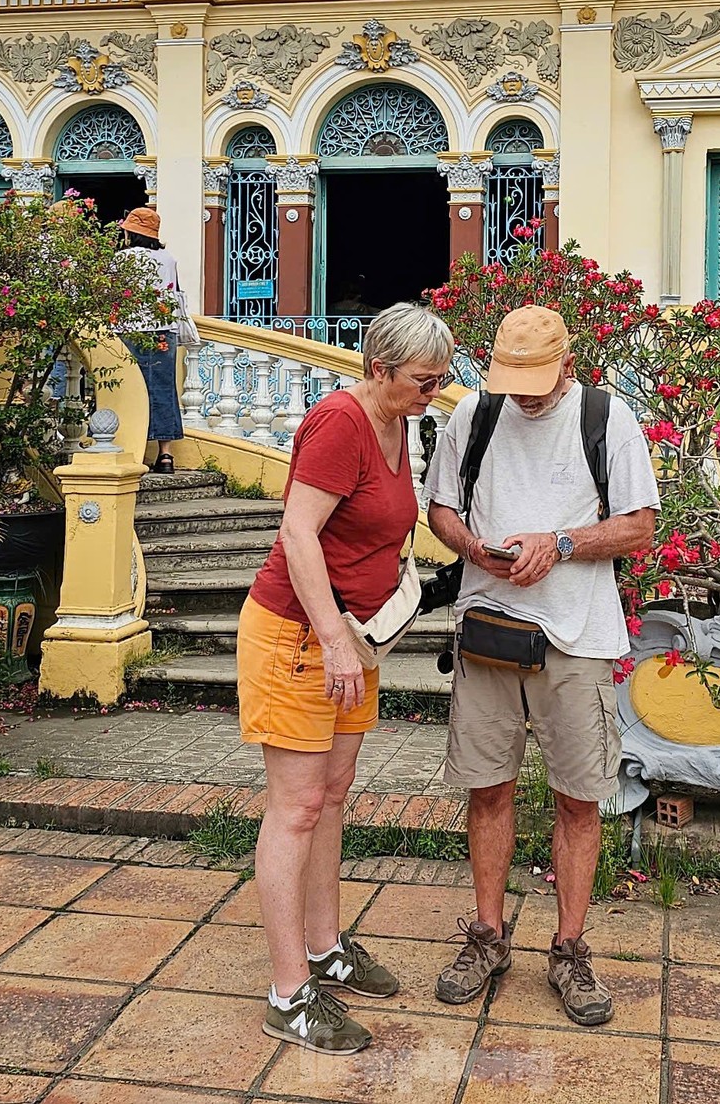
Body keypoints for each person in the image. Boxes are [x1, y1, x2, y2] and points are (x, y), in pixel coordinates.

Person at [424, 304, 659, 1026]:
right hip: (489, 628)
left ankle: (570, 948)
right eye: (510, 376)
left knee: (578, 799)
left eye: (535, 376)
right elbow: (440, 509)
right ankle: (487, 936)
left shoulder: (607, 418)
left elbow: (640, 527)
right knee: (487, 790)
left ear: (568, 359)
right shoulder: (475, 416)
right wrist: (476, 550)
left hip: (578, 638)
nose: (522, 392)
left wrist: (557, 545)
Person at [238, 302, 455, 1055]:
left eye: (442, 379)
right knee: (295, 808)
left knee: (331, 796)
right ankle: (288, 993)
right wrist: (331, 637)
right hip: (301, 638)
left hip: (351, 642)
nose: (436, 391)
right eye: (424, 380)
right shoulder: (340, 423)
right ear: (379, 368)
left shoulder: (403, 422)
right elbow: (297, 532)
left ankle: (326, 948)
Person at [115, 205, 187, 474]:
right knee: (163, 390)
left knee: (128, 391)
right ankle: (165, 455)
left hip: (131, 330)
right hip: (163, 330)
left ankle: (131, 451)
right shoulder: (168, 258)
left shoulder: (122, 259)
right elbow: (176, 293)